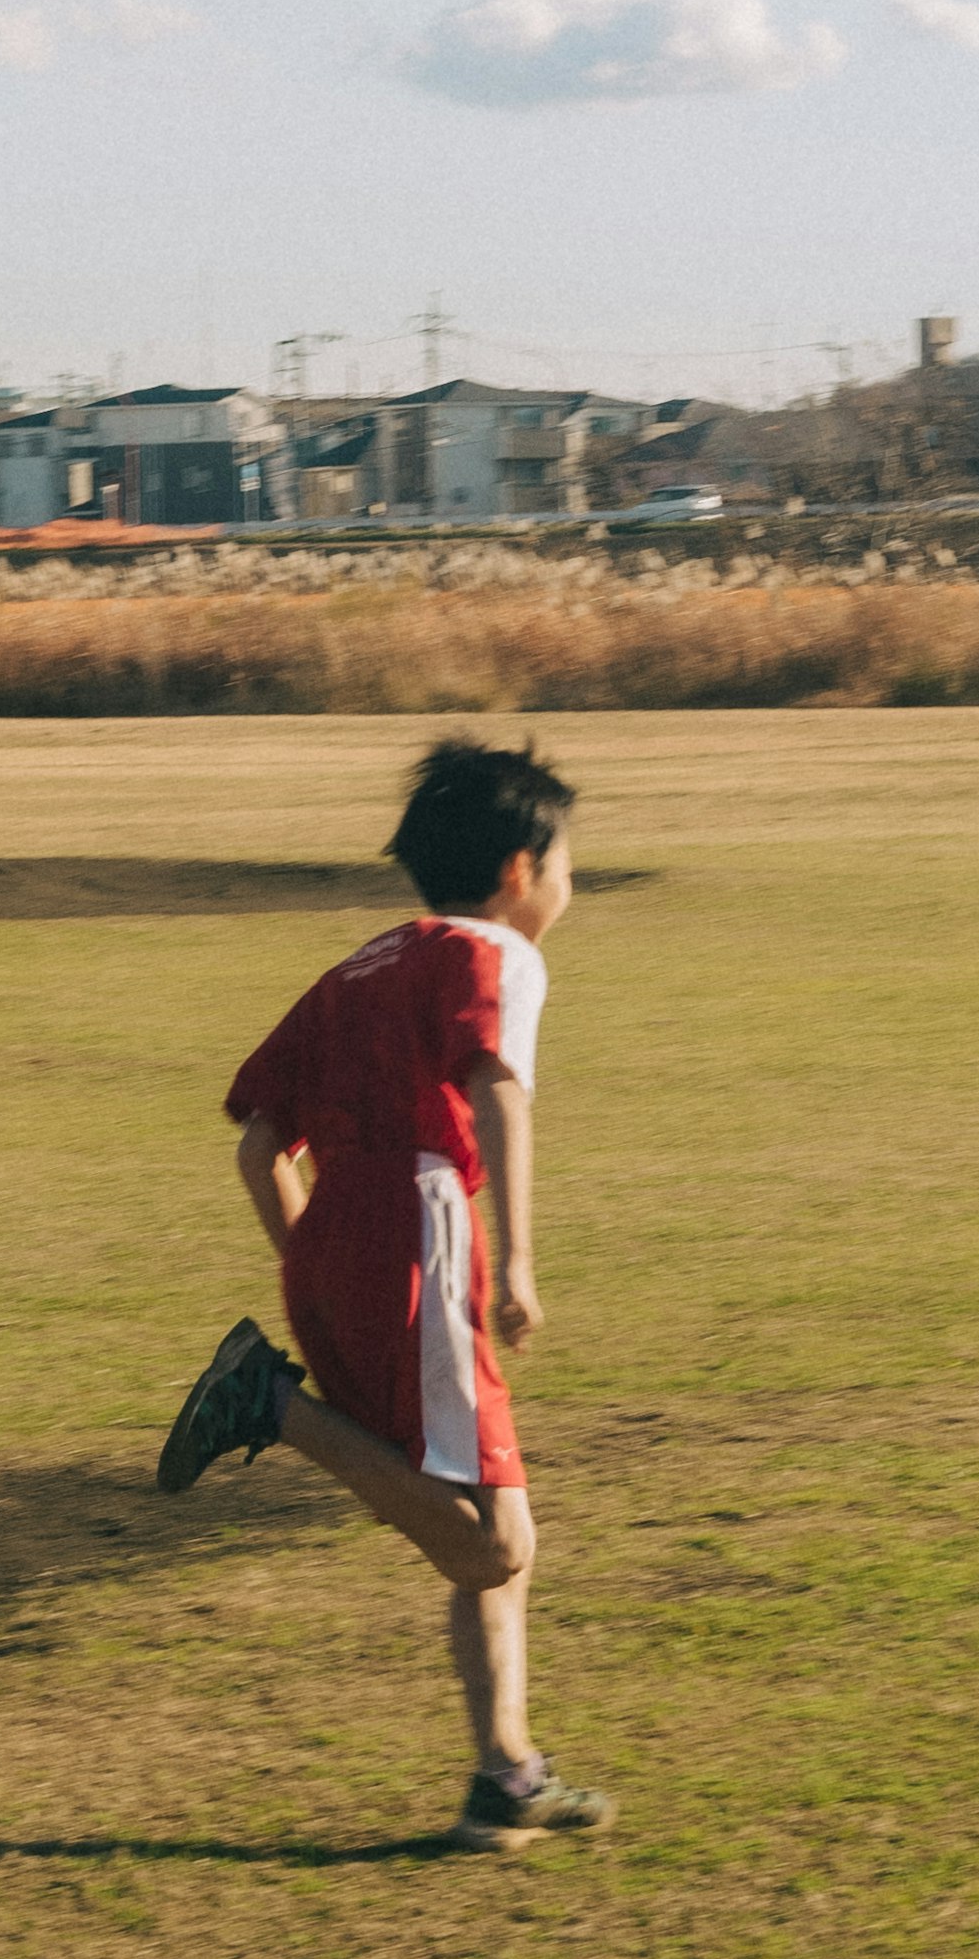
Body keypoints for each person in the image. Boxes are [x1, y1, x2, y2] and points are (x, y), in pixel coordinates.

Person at [156, 735, 613, 1855]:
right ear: (518, 869)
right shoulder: (493, 955)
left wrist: (315, 1266)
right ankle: (269, 1405)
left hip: (334, 1241)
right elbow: (496, 1094)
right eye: (567, 864)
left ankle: (505, 1776)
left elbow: (261, 1144)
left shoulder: (358, 966)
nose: (572, 886)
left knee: (498, 1524)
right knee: (492, 1549)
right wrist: (514, 1262)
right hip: (424, 1231)